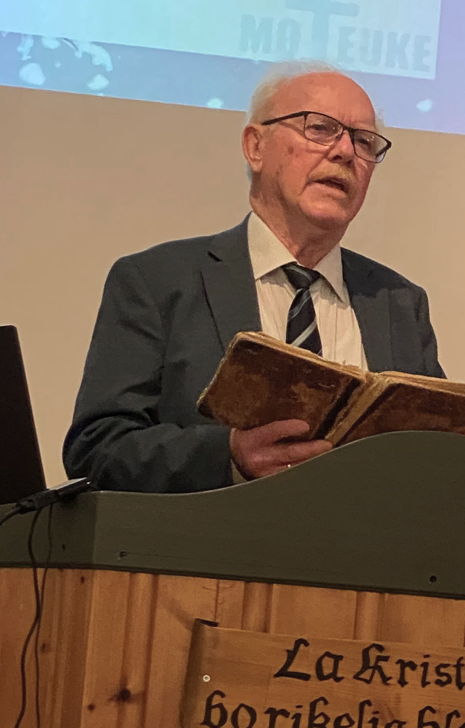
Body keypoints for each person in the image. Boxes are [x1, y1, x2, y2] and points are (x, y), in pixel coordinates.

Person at [63, 63, 443, 494]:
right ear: (255, 147)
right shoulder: (157, 282)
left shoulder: (398, 302)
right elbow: (98, 448)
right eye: (320, 128)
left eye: (364, 141)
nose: (344, 152)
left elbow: (432, 459)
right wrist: (228, 456)